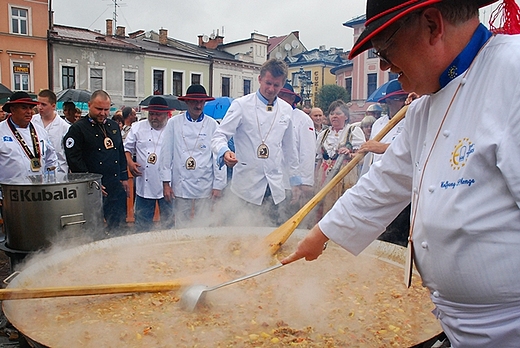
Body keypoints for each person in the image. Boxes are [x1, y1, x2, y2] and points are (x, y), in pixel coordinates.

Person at [282, 0, 520, 347]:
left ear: (432, 26)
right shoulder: (425, 105)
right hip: (455, 329)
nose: (383, 65)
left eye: (386, 48)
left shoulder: (512, 76)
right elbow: (384, 183)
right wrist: (320, 234)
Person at [211, 59, 300, 226]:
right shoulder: (241, 105)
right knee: (241, 237)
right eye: (268, 83)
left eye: (276, 85)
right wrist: (224, 151)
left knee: (272, 237)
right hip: (246, 187)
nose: (271, 89)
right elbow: (219, 135)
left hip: (275, 187)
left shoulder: (287, 110)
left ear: (283, 84)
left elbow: (290, 149)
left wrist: (295, 180)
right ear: (259, 79)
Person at [160, 85, 226, 228]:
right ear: (187, 102)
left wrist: (218, 185)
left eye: (201, 102)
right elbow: (166, 154)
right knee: (181, 223)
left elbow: (218, 157)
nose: (198, 105)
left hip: (205, 181)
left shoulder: (212, 124)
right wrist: (166, 183)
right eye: (195, 101)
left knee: (204, 222)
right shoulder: (173, 123)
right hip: (181, 182)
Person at [64, 90, 129, 232]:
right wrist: (91, 183)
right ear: (89, 105)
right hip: (92, 189)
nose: (103, 113)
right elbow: (74, 159)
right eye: (99, 109)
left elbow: (119, 152)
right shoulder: (77, 129)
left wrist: (124, 177)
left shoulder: (113, 126)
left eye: (106, 109)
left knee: (118, 226)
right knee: (93, 228)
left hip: (114, 185)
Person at [124, 96, 174, 232]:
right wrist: (130, 163)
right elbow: (126, 149)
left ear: (166, 114)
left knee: (169, 224)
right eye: (151, 114)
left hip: (168, 186)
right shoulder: (137, 127)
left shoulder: (173, 128)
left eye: (158, 114)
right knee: (142, 225)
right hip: (144, 185)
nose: (154, 117)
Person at [315, 100, 365, 218]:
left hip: (345, 176)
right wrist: (315, 178)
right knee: (323, 210)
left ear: (346, 116)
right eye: (332, 113)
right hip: (324, 177)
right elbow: (320, 160)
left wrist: (350, 155)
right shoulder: (324, 134)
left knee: (342, 209)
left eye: (338, 113)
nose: (334, 116)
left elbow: (362, 158)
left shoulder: (353, 132)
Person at [0, 91, 58, 194]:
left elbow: (51, 159)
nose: (29, 112)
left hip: (39, 193)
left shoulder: (40, 132)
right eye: (24, 108)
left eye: (31, 108)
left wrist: (50, 183)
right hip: (10, 194)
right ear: (12, 110)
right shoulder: (1, 130)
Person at [278, 83, 315, 215]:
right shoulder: (270, 115)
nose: (280, 99)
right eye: (278, 95)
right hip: (272, 182)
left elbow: (308, 152)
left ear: (292, 99)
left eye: (284, 96)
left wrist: (305, 182)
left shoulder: (303, 119)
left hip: (292, 184)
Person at [32, 89, 70, 174]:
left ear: (53, 106)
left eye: (44, 105)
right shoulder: (32, 122)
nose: (39, 107)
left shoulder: (64, 127)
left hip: (58, 172)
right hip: (36, 171)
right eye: (38, 104)